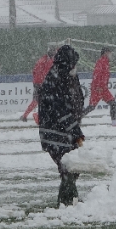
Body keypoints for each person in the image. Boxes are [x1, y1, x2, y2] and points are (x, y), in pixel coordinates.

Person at [37, 45, 86, 207]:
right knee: (67, 167)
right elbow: (60, 110)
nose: (75, 67)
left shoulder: (67, 76)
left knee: (72, 167)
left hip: (66, 131)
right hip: (54, 132)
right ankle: (68, 201)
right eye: (73, 63)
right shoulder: (55, 79)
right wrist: (76, 129)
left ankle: (68, 200)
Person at [20, 46, 56, 123]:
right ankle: (37, 116)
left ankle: (25, 116)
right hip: (42, 83)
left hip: (38, 83)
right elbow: (47, 73)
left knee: (36, 101)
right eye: (53, 52)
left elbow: (35, 71)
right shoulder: (48, 61)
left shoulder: (42, 59)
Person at [85, 47, 116, 126]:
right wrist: (98, 86)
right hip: (97, 89)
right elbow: (96, 75)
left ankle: (114, 123)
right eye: (109, 52)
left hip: (104, 89)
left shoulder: (106, 62)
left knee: (113, 103)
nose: (111, 54)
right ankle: (76, 118)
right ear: (105, 53)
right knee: (91, 107)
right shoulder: (100, 62)